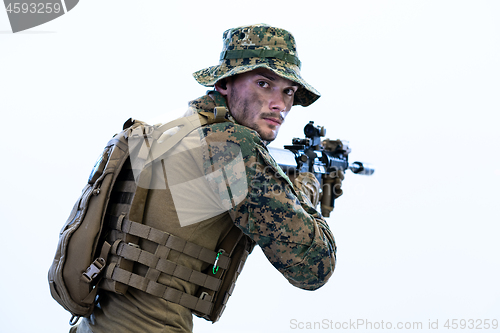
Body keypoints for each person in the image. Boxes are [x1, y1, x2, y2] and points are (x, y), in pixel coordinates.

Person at [71, 23, 340, 333]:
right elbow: (313, 267)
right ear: (225, 83)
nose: (280, 103)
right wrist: (305, 190)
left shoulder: (168, 131)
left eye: (288, 91)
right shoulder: (229, 145)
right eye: (264, 83)